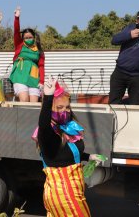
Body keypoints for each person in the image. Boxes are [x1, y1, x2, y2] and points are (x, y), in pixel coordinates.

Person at [35, 77, 105, 216]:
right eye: (60, 107)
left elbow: (67, 154)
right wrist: (48, 98)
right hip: (63, 193)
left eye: (67, 107)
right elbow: (43, 125)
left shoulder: (67, 128)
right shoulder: (48, 134)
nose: (65, 111)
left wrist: (89, 156)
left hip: (72, 190)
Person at [9, 7, 45, 102]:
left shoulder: (39, 50)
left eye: (30, 37)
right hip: (20, 75)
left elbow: (41, 66)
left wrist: (41, 81)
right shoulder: (19, 45)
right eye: (26, 37)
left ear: (34, 37)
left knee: (34, 104)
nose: (28, 39)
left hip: (33, 78)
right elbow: (16, 31)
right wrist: (17, 18)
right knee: (24, 100)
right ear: (23, 39)